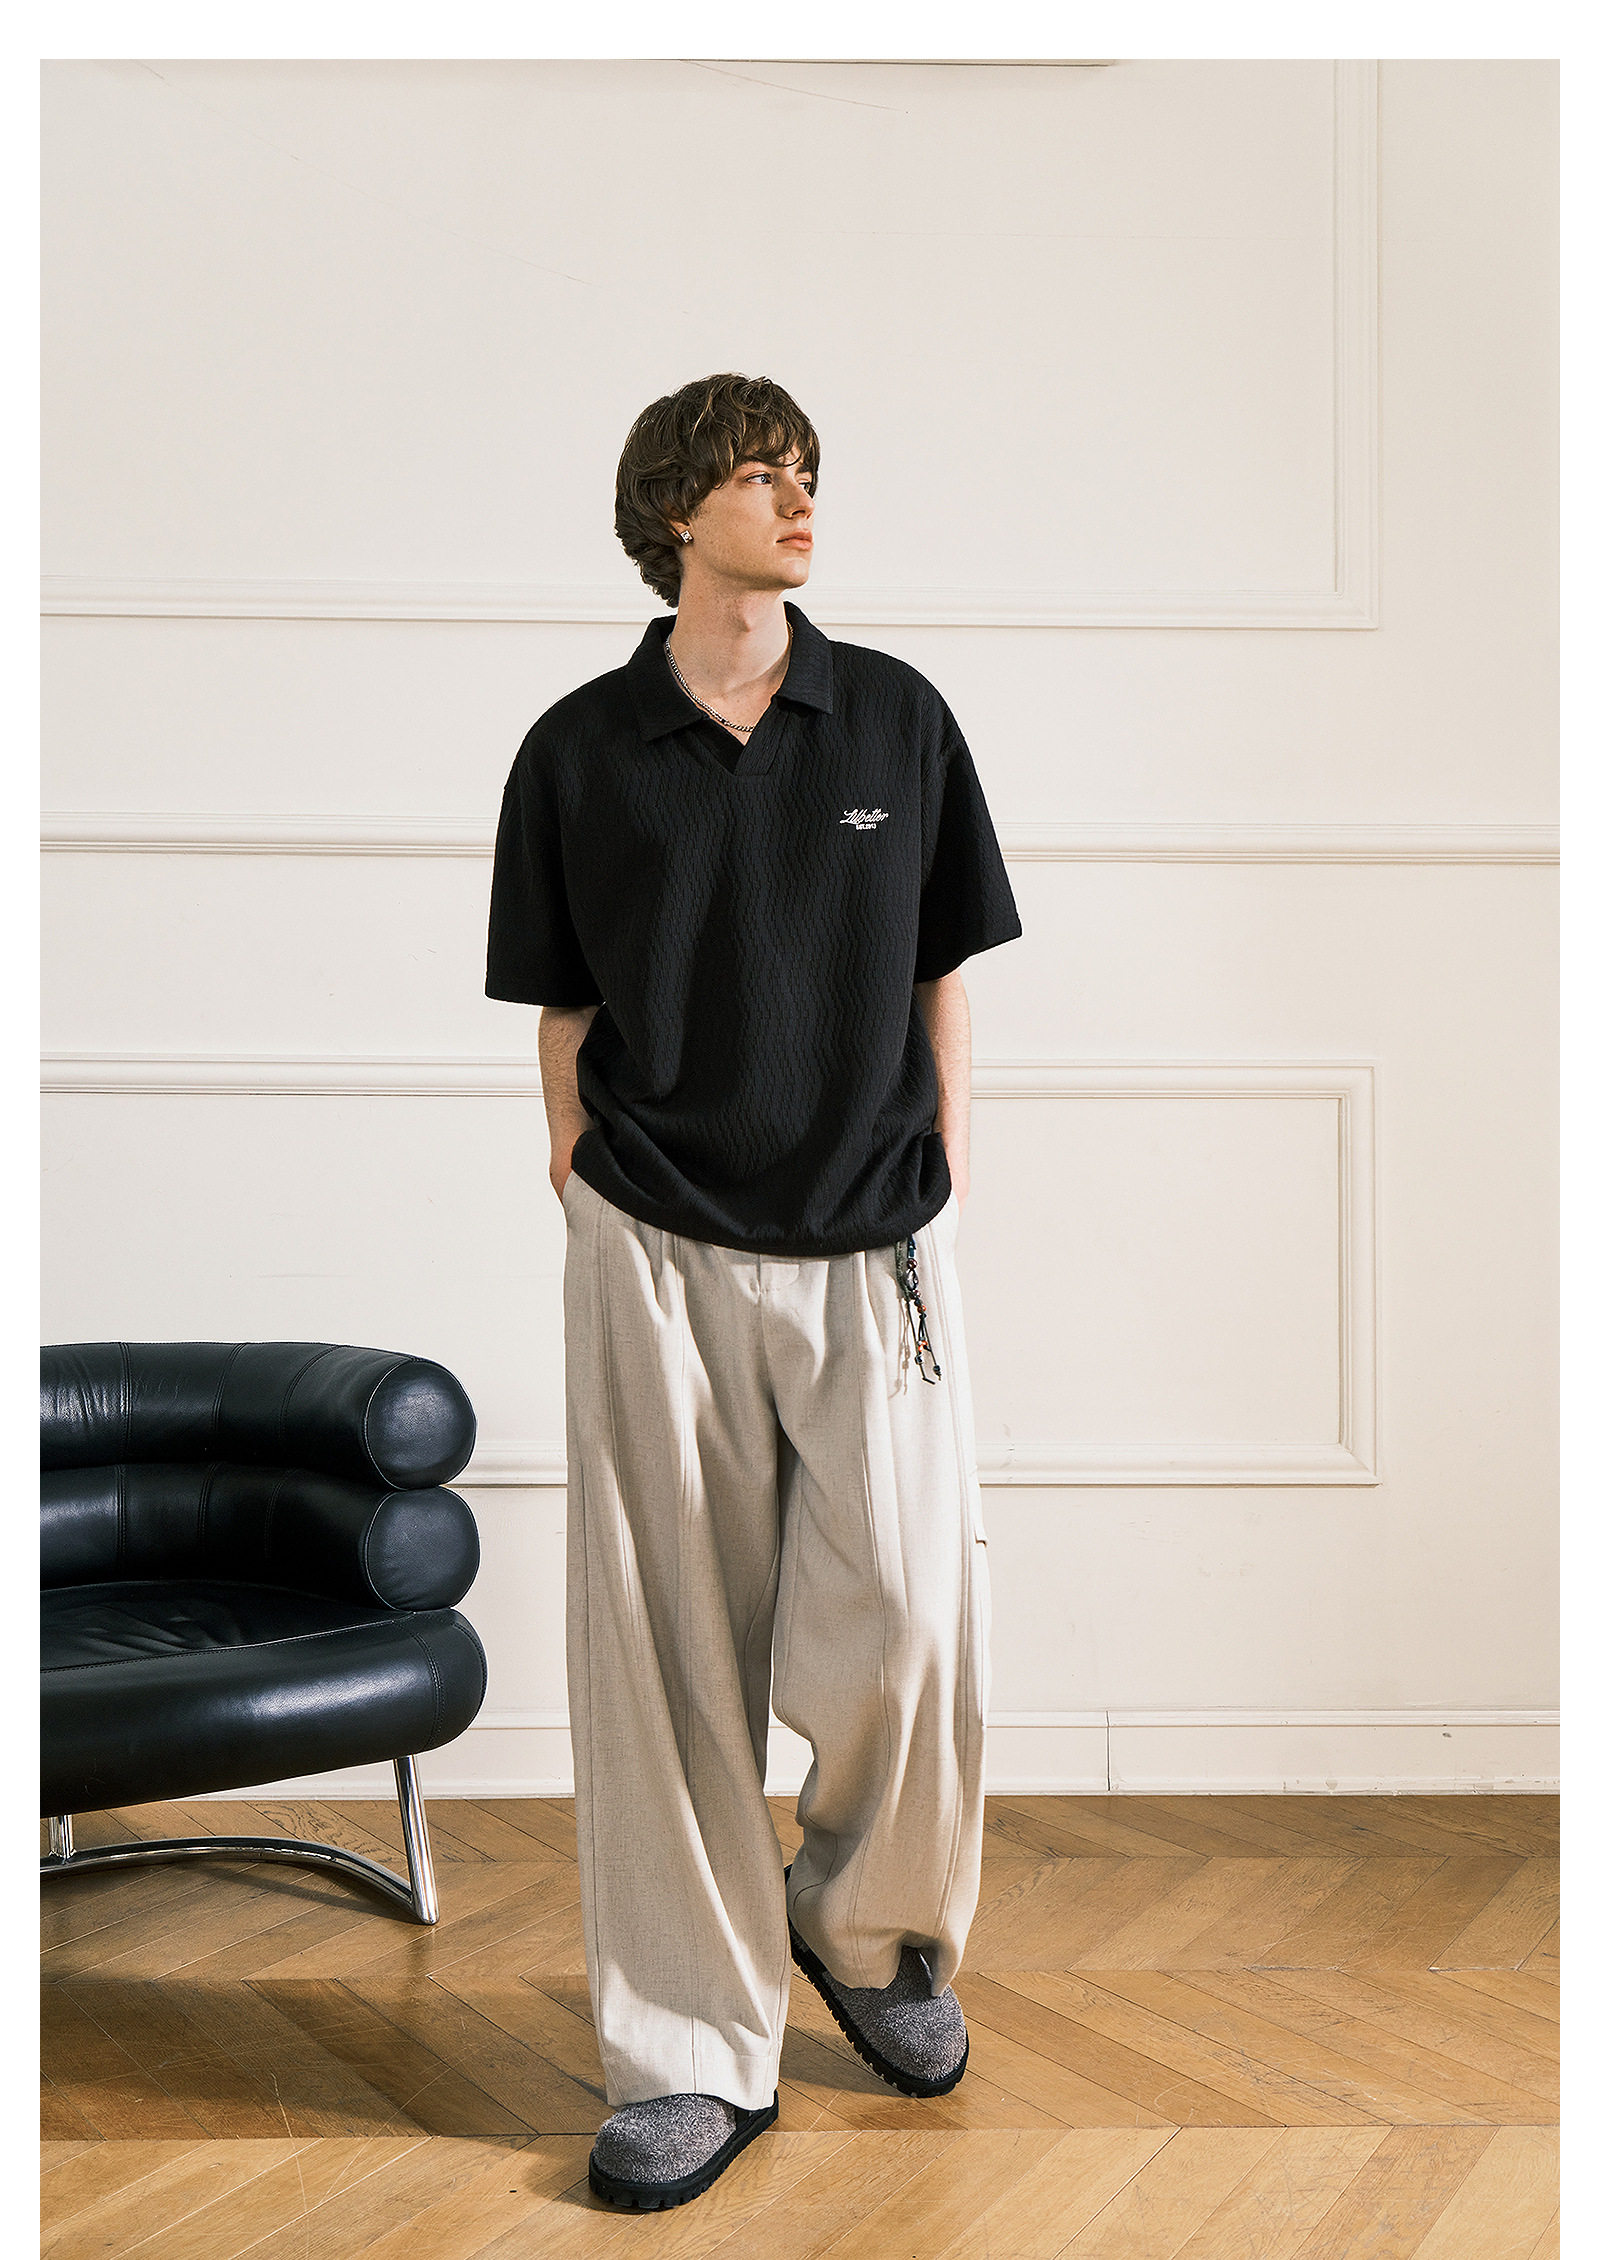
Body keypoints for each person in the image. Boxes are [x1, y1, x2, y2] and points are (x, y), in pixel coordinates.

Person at [486, 372, 1023, 2211]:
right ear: (673, 512)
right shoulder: (578, 749)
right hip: (654, 1238)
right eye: (758, 473)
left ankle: (867, 1930)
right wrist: (575, 1160)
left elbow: (946, 964)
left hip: (875, 1232)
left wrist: (947, 1158)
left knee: (918, 1611)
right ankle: (690, 2051)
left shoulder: (895, 717)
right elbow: (561, 999)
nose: (798, 499)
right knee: (667, 1662)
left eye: (806, 472)